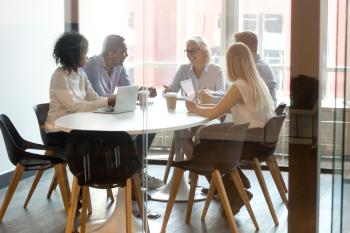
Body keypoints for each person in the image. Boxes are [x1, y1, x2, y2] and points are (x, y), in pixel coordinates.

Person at [185, 42, 275, 214]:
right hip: (261, 142)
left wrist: (195, 108)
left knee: (202, 148)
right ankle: (234, 183)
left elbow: (214, 113)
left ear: (231, 63)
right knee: (205, 139)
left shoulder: (239, 85)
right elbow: (221, 110)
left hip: (248, 142)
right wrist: (200, 109)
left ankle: (233, 191)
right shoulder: (256, 82)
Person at [45, 32, 116, 146]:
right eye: (84, 53)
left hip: (76, 127)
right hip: (58, 132)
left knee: (110, 136)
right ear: (73, 55)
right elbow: (73, 107)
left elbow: (94, 98)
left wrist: (111, 101)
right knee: (102, 139)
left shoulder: (81, 73)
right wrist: (108, 102)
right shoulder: (59, 76)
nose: (87, 57)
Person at [163, 35, 226, 104]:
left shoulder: (216, 70)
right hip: (187, 112)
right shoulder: (183, 69)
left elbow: (222, 95)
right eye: (188, 51)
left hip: (208, 113)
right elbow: (171, 91)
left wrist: (209, 94)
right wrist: (167, 92)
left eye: (194, 51)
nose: (190, 54)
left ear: (204, 52)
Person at [234, 31, 277, 106]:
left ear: (243, 49)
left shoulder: (257, 69)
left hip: (261, 116)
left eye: (235, 50)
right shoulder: (260, 65)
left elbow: (238, 97)